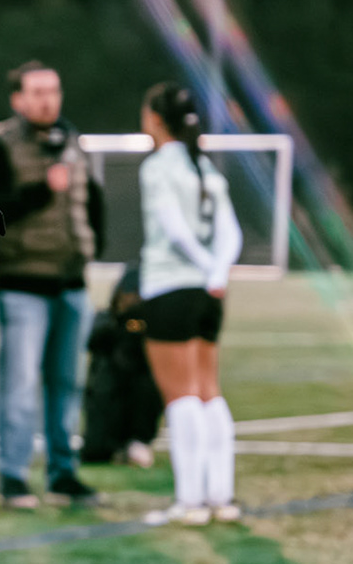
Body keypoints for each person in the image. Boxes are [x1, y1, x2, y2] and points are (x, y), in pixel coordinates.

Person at [0, 61, 104, 508]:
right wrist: (41, 191)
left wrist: (91, 248)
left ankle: (63, 472)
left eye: (53, 90)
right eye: (36, 92)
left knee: (67, 384)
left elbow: (95, 203)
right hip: (23, 284)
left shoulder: (73, 141)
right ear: (17, 99)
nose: (47, 99)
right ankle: (13, 477)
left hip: (71, 282)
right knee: (20, 384)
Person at [135, 84, 243, 526]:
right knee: (208, 392)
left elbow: (174, 228)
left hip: (169, 287)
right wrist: (215, 273)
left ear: (157, 120)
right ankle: (221, 497)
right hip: (208, 293)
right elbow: (231, 233)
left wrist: (201, 267)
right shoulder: (205, 168)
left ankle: (189, 502)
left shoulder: (159, 166)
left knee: (180, 397)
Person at [79, 265, 161, 469]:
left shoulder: (152, 325)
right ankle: (111, 442)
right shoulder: (106, 320)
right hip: (107, 397)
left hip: (138, 396)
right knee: (95, 454)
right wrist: (120, 323)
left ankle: (138, 441)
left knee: (147, 383)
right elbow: (92, 342)